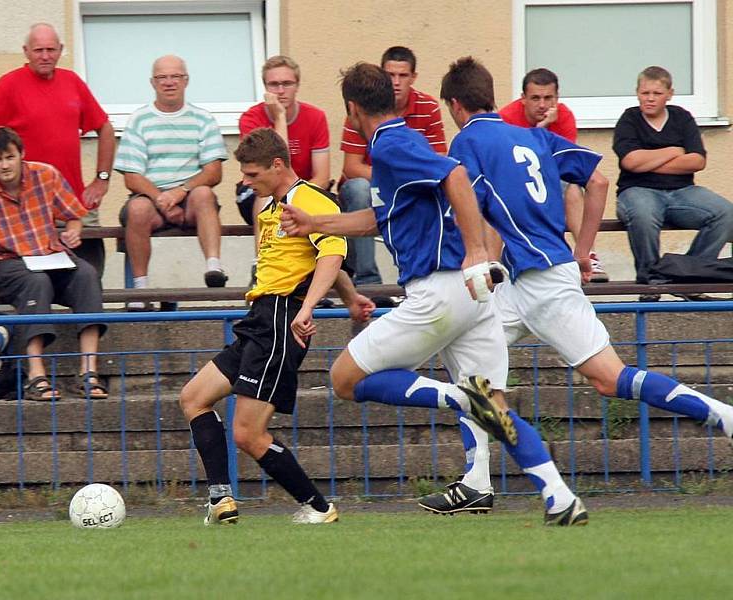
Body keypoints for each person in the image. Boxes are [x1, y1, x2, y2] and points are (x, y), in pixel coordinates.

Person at [417, 56, 733, 517]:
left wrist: (478, 260)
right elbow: (599, 179)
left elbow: (474, 207)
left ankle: (722, 415)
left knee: (608, 379)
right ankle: (476, 482)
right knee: (469, 362)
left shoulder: (468, 141)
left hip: (539, 281)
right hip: (536, 278)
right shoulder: (535, 136)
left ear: (455, 105)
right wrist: (583, 251)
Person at [281, 62, 590, 526]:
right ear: (395, 97)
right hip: (471, 298)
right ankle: (560, 496)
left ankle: (458, 398)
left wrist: (474, 252)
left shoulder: (391, 142)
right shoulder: (400, 142)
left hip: (442, 289)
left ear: (351, 109)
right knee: (495, 407)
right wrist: (316, 222)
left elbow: (456, 177)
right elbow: (382, 218)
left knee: (344, 379)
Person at [178, 127, 374, 525]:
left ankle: (319, 508)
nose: (246, 182)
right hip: (259, 320)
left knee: (248, 434)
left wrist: (309, 308)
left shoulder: (312, 202)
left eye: (252, 174)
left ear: (278, 165)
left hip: (285, 319)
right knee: (193, 397)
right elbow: (322, 258)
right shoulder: (272, 208)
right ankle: (221, 500)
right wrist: (352, 298)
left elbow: (330, 256)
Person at [0, 127, 107, 401]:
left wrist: (73, 230)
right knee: (35, 282)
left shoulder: (46, 175)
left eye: (9, 157)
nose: (4, 165)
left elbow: (74, 214)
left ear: (21, 155)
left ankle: (88, 371)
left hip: (50, 255)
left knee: (86, 274)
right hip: (10, 263)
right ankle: (36, 375)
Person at [0, 22, 114, 277]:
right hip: (30, 206)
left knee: (88, 275)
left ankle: (89, 319)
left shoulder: (71, 81)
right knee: (35, 281)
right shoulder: (9, 85)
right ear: (26, 51)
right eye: (38, 50)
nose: (45, 56)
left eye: (51, 50)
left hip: (74, 203)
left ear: (61, 50)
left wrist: (102, 180)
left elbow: (105, 128)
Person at [114, 55, 229, 310]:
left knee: (204, 195)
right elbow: (131, 177)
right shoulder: (139, 120)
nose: (169, 82)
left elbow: (214, 172)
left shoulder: (204, 119)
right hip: (151, 199)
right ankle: (140, 290)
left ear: (186, 80)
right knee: (136, 209)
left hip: (190, 200)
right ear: (152, 83)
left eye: (175, 76)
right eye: (162, 77)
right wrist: (161, 199)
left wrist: (180, 191)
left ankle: (214, 267)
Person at [613, 65, 733, 301]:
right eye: (644, 93)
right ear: (637, 93)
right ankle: (651, 281)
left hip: (682, 192)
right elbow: (630, 162)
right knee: (643, 215)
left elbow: (697, 161)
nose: (649, 99)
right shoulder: (629, 119)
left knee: (725, 213)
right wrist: (673, 151)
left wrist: (649, 160)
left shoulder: (681, 117)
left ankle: (688, 277)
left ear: (669, 94)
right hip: (637, 191)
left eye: (656, 94)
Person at [338, 46, 447, 295]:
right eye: (390, 75)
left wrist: (476, 251)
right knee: (360, 188)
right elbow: (352, 167)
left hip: (440, 279)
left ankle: (423, 271)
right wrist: (312, 223)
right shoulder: (365, 115)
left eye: (403, 76)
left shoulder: (413, 119)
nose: (396, 82)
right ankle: (368, 280)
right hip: (371, 188)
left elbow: (448, 168)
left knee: (421, 192)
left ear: (414, 77)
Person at [499, 68, 608, 283]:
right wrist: (542, 128)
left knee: (574, 187)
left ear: (557, 98)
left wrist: (544, 128)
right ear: (523, 99)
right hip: (515, 183)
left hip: (552, 181)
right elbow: (510, 166)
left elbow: (566, 163)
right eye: (535, 98)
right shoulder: (506, 117)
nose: (542, 105)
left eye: (548, 98)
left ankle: (588, 256)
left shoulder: (564, 115)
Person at [237, 55, 331, 289]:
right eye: (273, 85)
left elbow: (321, 175)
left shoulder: (315, 117)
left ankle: (311, 277)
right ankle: (262, 265)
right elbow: (275, 165)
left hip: (303, 189)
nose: (280, 90)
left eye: (287, 84)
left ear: (297, 85)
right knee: (270, 195)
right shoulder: (252, 117)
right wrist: (279, 116)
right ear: (265, 87)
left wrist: (298, 196)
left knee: (303, 204)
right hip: (257, 188)